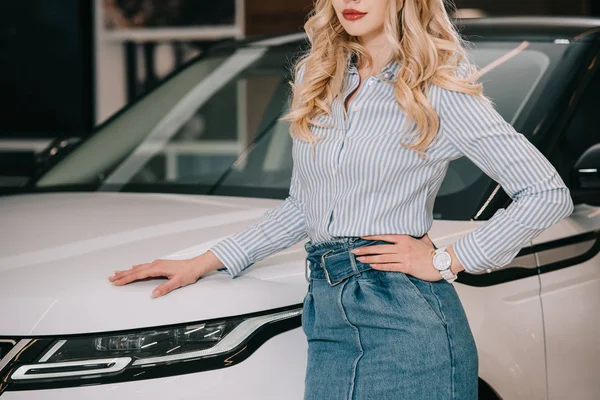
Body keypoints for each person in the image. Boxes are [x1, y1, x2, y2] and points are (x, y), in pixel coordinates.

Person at [109, 0, 575, 398]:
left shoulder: (438, 90)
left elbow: (547, 193)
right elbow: (303, 207)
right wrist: (204, 260)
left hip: (405, 317)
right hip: (326, 317)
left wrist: (447, 260)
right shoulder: (322, 80)